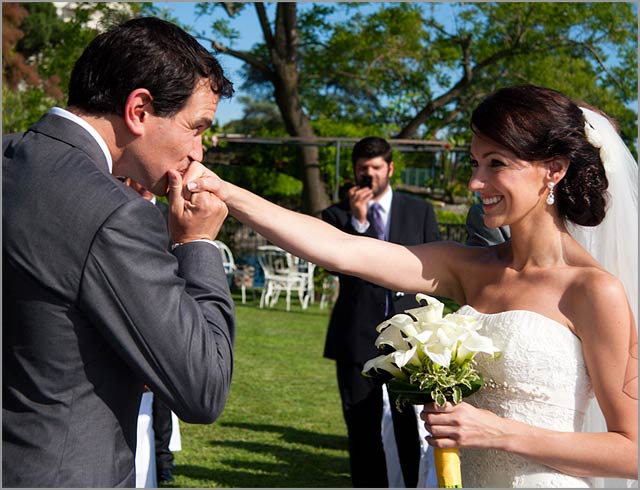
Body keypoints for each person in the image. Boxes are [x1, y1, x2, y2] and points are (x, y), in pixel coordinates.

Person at [187, 84, 637, 487]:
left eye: (496, 164)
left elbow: (631, 451)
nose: (476, 183)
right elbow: (341, 249)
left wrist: (502, 433)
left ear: (553, 170)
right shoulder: (466, 267)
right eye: (475, 163)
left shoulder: (592, 291)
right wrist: (224, 190)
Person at [3, 17, 236, 487]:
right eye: (197, 127)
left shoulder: (12, 159)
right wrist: (198, 244)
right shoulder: (114, 214)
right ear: (140, 108)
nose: (198, 152)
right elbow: (203, 386)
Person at [321, 136, 441, 487]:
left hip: (408, 340)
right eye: (362, 169)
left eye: (375, 168)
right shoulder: (338, 214)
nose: (368, 175)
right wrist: (358, 223)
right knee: (362, 429)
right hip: (357, 338)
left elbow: (434, 265)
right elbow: (331, 265)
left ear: (389, 168)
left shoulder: (419, 211)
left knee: (410, 429)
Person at [121, 177, 177, 485]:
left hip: (160, 316)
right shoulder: (118, 208)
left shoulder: (170, 217)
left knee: (162, 400)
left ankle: (163, 458)